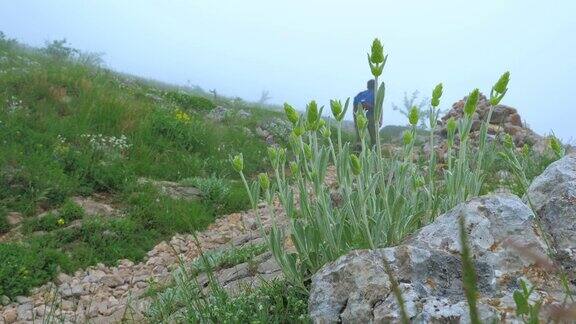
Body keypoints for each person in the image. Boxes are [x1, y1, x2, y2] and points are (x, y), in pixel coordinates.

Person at [353, 79, 379, 148]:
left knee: (360, 134)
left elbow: (356, 102)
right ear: (375, 85)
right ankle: (374, 150)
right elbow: (363, 103)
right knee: (373, 135)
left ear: (367, 86)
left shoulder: (361, 94)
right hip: (369, 114)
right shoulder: (374, 94)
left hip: (359, 115)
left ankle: (358, 150)